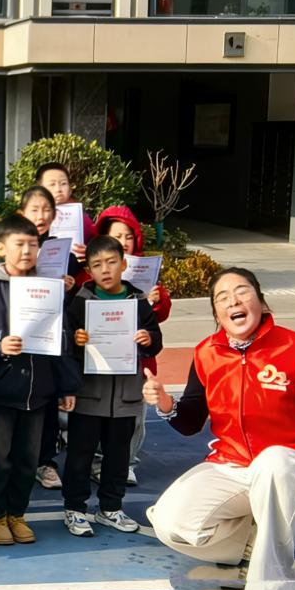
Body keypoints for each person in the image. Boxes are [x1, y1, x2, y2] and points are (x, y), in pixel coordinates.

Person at [145, 268, 295, 590]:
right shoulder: (206, 353)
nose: (233, 301)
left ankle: (272, 585)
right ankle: (257, 541)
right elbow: (191, 422)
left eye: (242, 292)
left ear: (262, 303)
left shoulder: (294, 347)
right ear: (217, 315)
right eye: (222, 298)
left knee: (274, 461)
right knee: (170, 523)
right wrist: (167, 404)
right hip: (232, 467)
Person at [0, 215, 79, 547]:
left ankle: (17, 514)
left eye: (32, 244)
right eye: (19, 244)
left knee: (28, 461)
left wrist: (67, 385)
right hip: (1, 393)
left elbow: (62, 339)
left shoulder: (48, 290)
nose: (26, 251)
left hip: (38, 396)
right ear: (1, 248)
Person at [61, 236, 162, 538]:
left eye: (111, 262)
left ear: (124, 263)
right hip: (89, 394)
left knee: (118, 456)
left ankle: (110, 508)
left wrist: (148, 339)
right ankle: (75, 508)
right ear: (89, 271)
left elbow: (155, 340)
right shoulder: (80, 301)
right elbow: (66, 343)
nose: (105, 270)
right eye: (97, 265)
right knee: (80, 455)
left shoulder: (138, 302)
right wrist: (77, 341)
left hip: (126, 396)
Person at [92, 205, 171, 487]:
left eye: (128, 236)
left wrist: (157, 301)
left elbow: (160, 315)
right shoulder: (94, 273)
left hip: (137, 360)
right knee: (99, 414)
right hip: (101, 358)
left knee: (135, 415)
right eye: (117, 236)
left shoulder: (144, 271)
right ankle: (99, 462)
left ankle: (127, 463)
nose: (124, 241)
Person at [18, 184, 79, 491]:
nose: (41, 216)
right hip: (20, 337)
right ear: (22, 213)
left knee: (48, 403)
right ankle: (17, 460)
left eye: (46, 210)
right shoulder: (13, 249)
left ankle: (46, 461)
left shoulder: (63, 253)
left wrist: (66, 288)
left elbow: (70, 308)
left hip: (50, 338)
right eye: (34, 210)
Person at [37, 162, 97, 258]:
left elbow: (98, 245)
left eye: (63, 183)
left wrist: (90, 250)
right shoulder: (32, 218)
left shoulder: (82, 219)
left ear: (70, 189)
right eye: (52, 184)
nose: (58, 189)